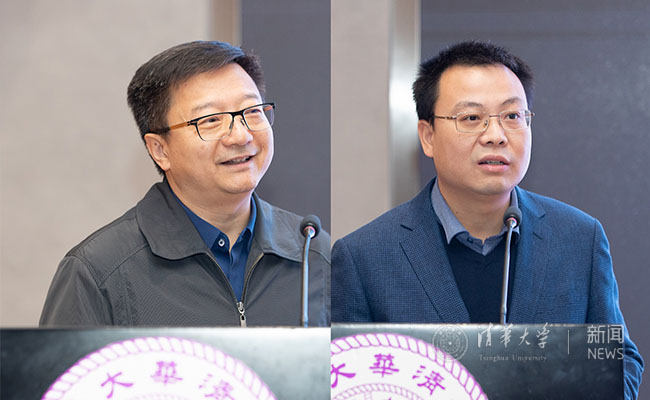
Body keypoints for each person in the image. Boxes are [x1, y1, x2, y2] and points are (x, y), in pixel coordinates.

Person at [331, 41, 642, 398]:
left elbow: (620, 362)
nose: (496, 136)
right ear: (428, 136)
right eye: (471, 118)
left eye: (512, 116)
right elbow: (346, 380)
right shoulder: (364, 257)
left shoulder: (579, 239)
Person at [40, 41, 330, 327]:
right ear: (160, 150)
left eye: (252, 111)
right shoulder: (97, 273)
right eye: (211, 120)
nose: (241, 136)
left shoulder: (315, 253)